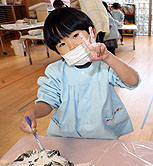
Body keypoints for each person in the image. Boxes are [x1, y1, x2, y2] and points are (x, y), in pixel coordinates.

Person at [19, 8, 140, 140]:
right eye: (62, 44)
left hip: (102, 136)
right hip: (66, 137)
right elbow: (47, 102)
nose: (72, 47)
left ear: (92, 31)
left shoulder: (105, 64)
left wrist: (108, 57)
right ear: (57, 50)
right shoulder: (55, 71)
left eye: (75, 36)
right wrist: (33, 112)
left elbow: (132, 81)